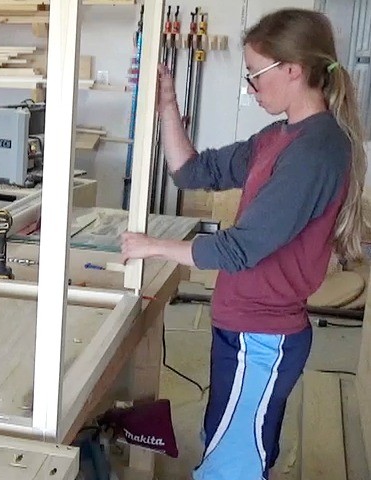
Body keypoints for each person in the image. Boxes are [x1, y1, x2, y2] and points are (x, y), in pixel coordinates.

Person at [121, 8, 367, 480]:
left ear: (292, 70)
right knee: (235, 443)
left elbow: (242, 248)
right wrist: (168, 106)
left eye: (256, 74)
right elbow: (193, 172)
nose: (251, 87)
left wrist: (154, 246)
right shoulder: (279, 136)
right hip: (242, 324)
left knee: (230, 462)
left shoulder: (316, 151)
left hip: (262, 336)